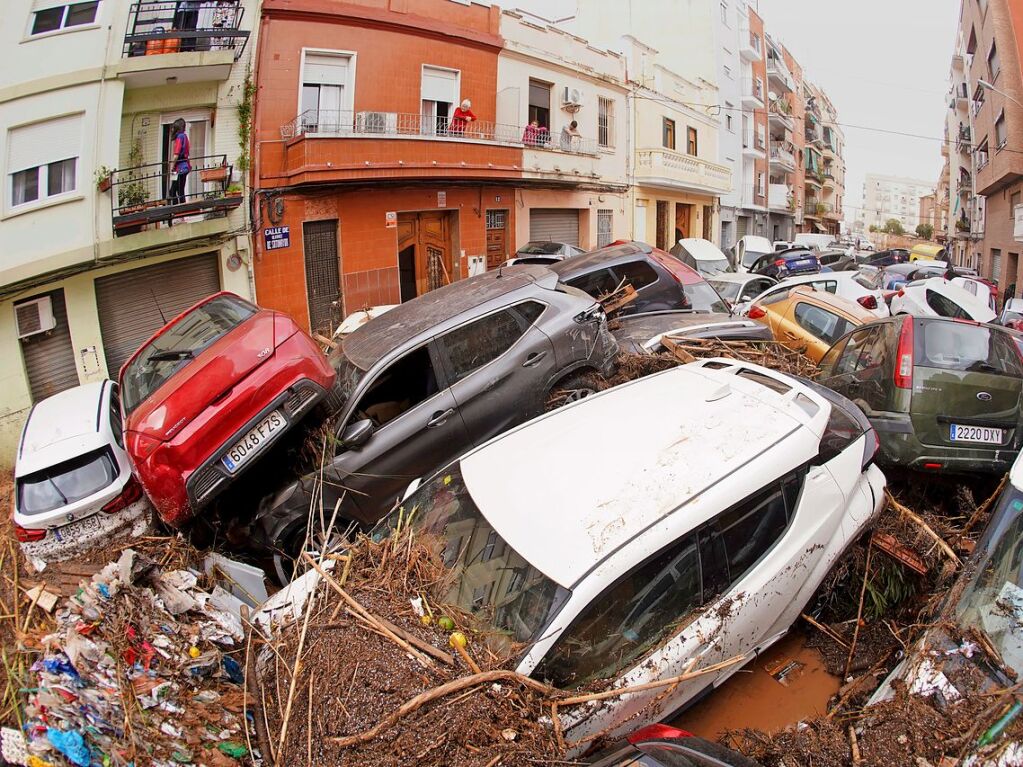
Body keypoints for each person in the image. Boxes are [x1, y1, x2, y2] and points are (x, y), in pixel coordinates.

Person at [167, 119, 191, 206]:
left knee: (173, 191)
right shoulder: (184, 136)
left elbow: (176, 155)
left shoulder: (180, 137)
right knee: (179, 191)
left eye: (173, 127)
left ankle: (178, 212)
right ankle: (181, 214)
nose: (172, 129)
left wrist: (172, 166)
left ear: (177, 127)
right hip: (184, 167)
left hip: (179, 168)